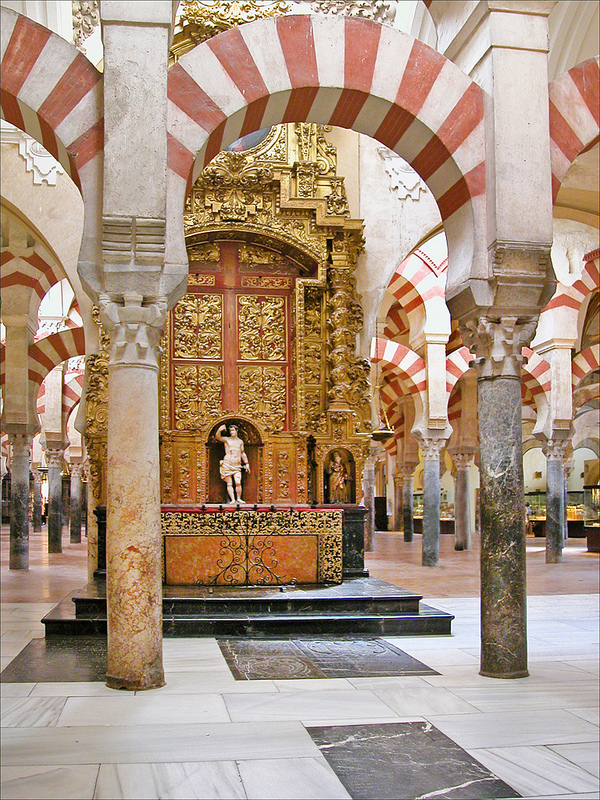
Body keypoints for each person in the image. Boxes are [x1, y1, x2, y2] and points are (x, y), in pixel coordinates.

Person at [216, 423, 250, 504]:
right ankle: (232, 500)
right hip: (227, 463)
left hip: (237, 464)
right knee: (229, 483)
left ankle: (238, 498)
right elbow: (218, 437)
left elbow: (242, 453)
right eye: (230, 430)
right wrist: (219, 430)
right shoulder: (227, 439)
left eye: (233, 430)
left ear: (237, 431)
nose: (231, 432)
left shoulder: (240, 441)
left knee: (238, 482)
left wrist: (247, 463)